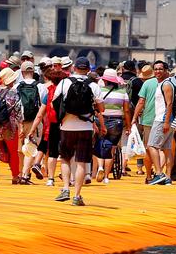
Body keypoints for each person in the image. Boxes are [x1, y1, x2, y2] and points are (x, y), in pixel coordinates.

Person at [53, 57, 104, 206]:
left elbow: (54, 103)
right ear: (88, 69)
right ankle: (77, 196)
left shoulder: (64, 83)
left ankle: (65, 189)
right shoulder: (93, 85)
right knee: (81, 162)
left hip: (67, 126)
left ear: (74, 67)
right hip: (86, 127)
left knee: (65, 159)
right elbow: (101, 109)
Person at [0, 67, 25, 184]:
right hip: (9, 126)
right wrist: (21, 126)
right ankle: (15, 176)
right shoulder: (14, 94)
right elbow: (18, 112)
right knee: (13, 152)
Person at [93, 69, 128, 182]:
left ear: (104, 80)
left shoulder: (99, 91)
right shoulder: (123, 92)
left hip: (101, 119)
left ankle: (100, 167)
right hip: (116, 121)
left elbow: (95, 107)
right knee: (111, 148)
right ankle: (107, 176)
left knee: (98, 145)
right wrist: (128, 125)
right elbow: (126, 111)